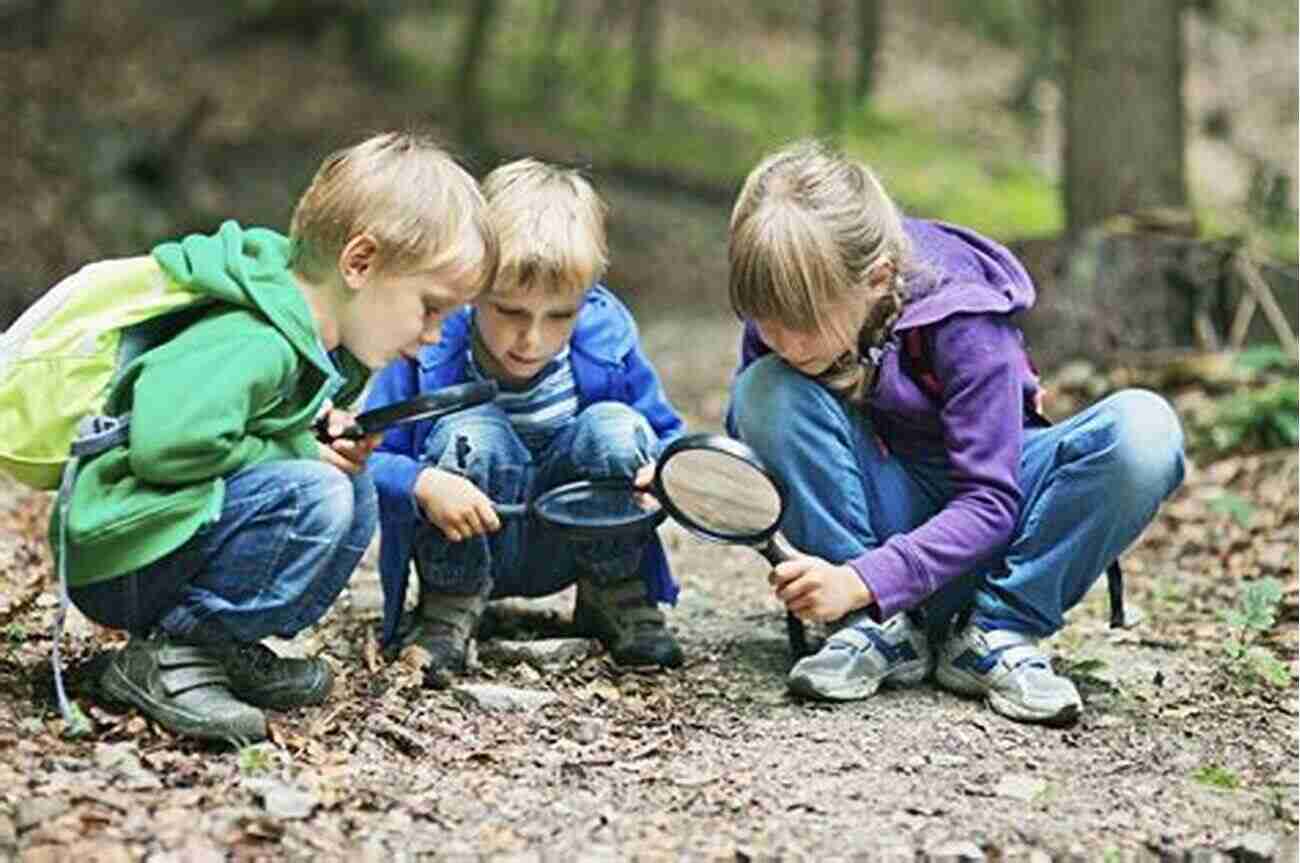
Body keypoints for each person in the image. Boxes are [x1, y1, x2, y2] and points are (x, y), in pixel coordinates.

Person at [55, 132, 498, 741]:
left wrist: (315, 432)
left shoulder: (306, 343)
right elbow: (167, 446)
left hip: (161, 540)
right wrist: (297, 450)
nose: (433, 335)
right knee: (316, 492)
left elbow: (253, 433)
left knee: (351, 487)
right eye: (431, 307)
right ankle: (168, 656)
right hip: (122, 553)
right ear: (360, 263)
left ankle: (217, 645)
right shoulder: (253, 337)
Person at [725, 140, 1185, 725]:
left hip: (993, 533)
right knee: (764, 388)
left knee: (1146, 429)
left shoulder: (964, 321)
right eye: (765, 324)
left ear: (877, 278)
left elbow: (991, 501)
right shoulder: (783, 320)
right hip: (876, 532)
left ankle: (996, 632)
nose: (783, 343)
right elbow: (768, 459)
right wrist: (696, 482)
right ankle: (873, 634)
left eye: (802, 325)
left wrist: (864, 579)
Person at [367, 158, 686, 680]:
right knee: (473, 432)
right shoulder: (429, 346)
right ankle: (449, 607)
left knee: (616, 426)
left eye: (559, 315)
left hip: (571, 537)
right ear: (472, 288)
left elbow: (668, 436)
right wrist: (423, 482)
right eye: (510, 312)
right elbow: (368, 457)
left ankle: (614, 591)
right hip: (468, 535)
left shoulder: (607, 340)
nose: (532, 339)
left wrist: (666, 475)